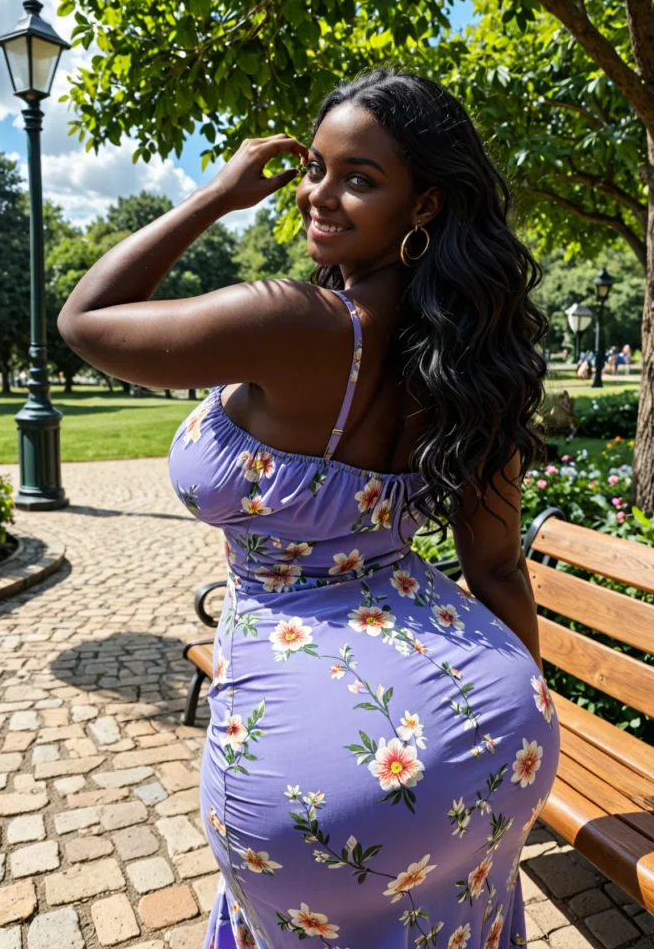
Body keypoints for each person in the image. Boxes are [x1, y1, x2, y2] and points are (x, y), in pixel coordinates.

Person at [58, 67, 560, 949]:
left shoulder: (292, 321)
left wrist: (214, 199)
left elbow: (86, 318)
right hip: (498, 726)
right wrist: (519, 714)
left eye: (358, 177)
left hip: (313, 778)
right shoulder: (475, 359)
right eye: (315, 167)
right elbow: (494, 568)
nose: (317, 196)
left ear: (424, 205)